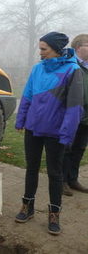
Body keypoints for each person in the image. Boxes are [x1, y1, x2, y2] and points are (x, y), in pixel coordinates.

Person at [15, 31, 84, 235]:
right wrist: (21, 120)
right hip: (34, 129)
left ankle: (54, 214)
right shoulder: (37, 69)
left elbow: (75, 107)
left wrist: (66, 134)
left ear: (56, 49)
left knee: (55, 173)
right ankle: (27, 207)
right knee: (31, 169)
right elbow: (27, 94)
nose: (41, 52)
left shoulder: (73, 70)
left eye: (44, 49)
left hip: (55, 133)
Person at [63, 34, 88, 196]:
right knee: (66, 148)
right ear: (78, 47)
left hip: (86, 116)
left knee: (79, 148)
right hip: (71, 113)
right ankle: (62, 181)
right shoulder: (68, 64)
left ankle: (73, 179)